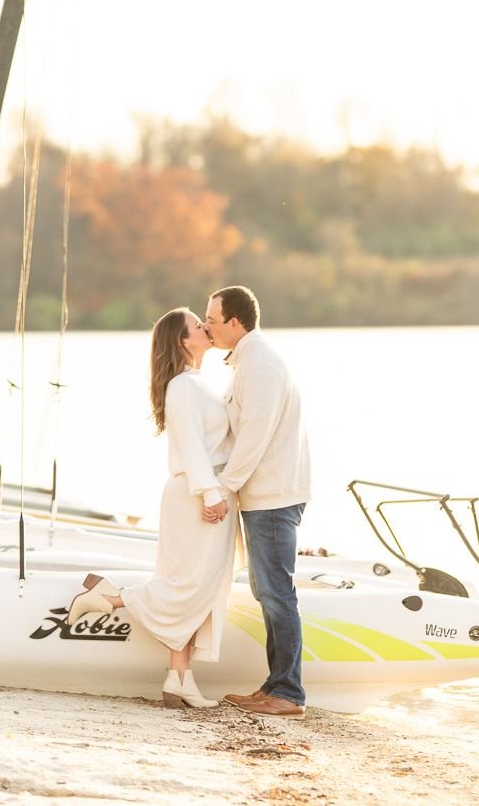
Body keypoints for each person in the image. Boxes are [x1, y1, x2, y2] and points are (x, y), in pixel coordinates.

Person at [66, 307, 237, 710]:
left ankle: (179, 678)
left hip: (205, 489)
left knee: (196, 586)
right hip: (196, 493)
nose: (206, 328)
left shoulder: (198, 382)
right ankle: (109, 598)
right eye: (198, 325)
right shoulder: (183, 386)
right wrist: (210, 495)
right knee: (187, 584)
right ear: (182, 340)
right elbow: (193, 446)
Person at [202, 284, 310, 719]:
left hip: (272, 496)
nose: (206, 326)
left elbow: (254, 435)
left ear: (235, 322)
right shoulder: (246, 361)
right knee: (267, 592)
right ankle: (274, 686)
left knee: (277, 593)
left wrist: (223, 487)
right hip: (263, 495)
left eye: (212, 320)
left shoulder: (261, 364)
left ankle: (288, 693)